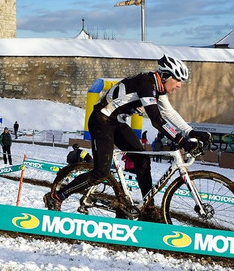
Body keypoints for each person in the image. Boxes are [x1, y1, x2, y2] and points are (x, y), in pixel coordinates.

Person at [45, 55, 211, 220]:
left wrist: (191, 132)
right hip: (101, 121)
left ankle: (148, 208)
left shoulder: (158, 89)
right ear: (166, 76)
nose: (179, 85)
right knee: (101, 172)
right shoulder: (146, 84)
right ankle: (57, 196)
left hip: (117, 122)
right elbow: (157, 121)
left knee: (142, 160)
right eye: (178, 80)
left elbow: (170, 113)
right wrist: (183, 142)